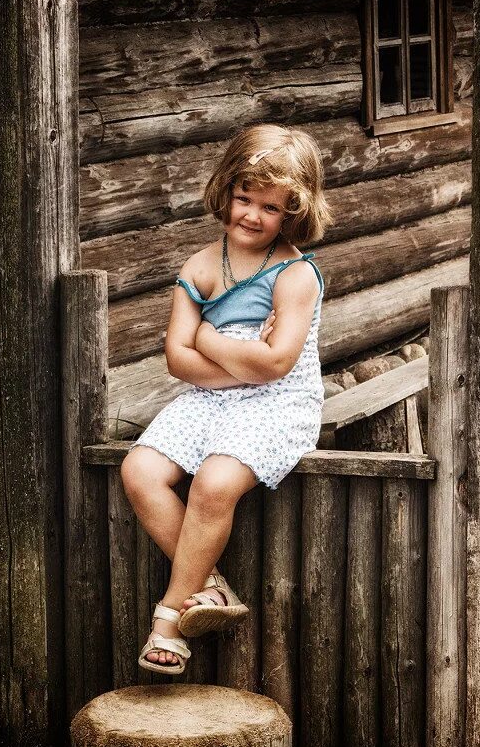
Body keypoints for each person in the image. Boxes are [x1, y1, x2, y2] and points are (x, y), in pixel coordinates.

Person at [120, 124, 333, 675]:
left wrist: (208, 341)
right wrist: (237, 361)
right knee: (139, 470)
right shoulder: (198, 267)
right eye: (244, 198)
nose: (253, 215)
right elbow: (176, 359)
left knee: (214, 483)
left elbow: (277, 364)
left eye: (271, 207)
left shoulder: (295, 275)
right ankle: (209, 588)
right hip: (207, 400)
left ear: (293, 212)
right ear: (226, 189)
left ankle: (169, 615)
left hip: (279, 405)